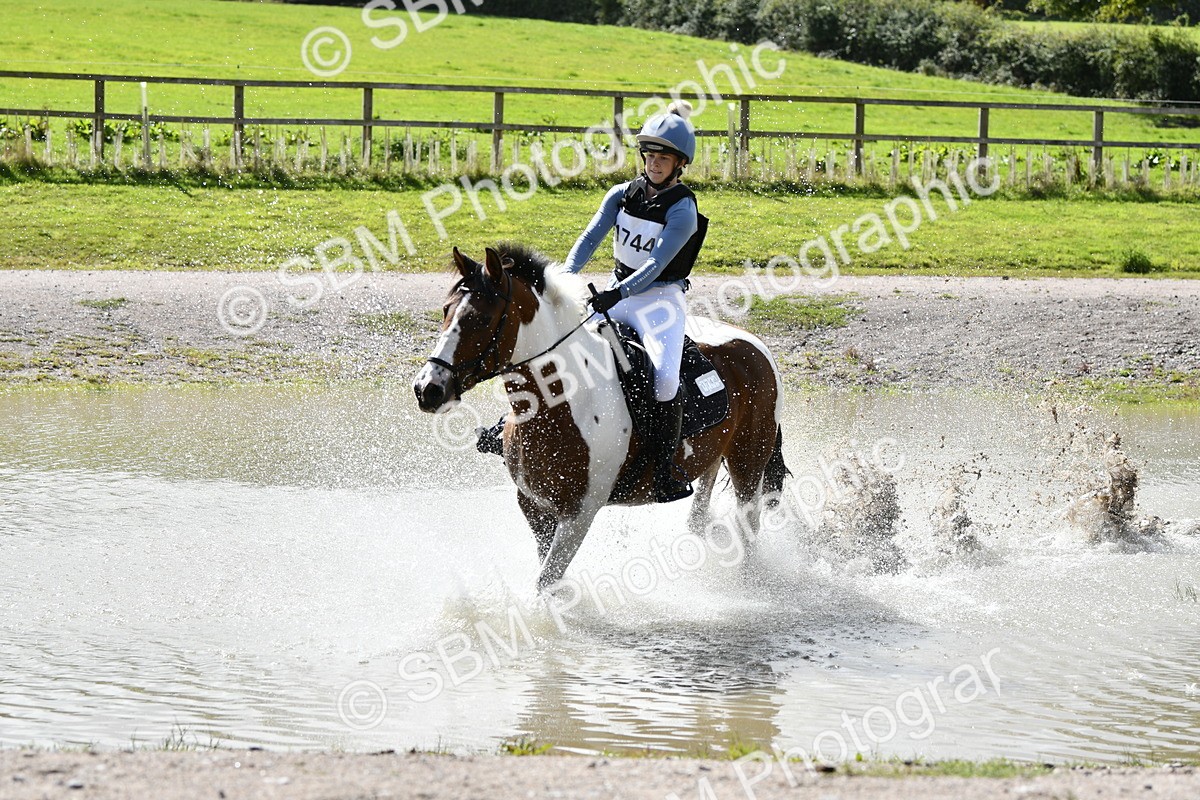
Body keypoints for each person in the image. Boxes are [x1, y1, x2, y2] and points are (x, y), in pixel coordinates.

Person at [562, 101, 709, 502]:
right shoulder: (621, 194)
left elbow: (657, 264)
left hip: (660, 300)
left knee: (663, 381)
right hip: (616, 290)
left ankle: (665, 471)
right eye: (650, 155)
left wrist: (618, 294)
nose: (655, 163)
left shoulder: (683, 208)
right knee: (558, 345)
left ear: (680, 163)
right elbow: (590, 239)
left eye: (664, 158)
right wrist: (565, 276)